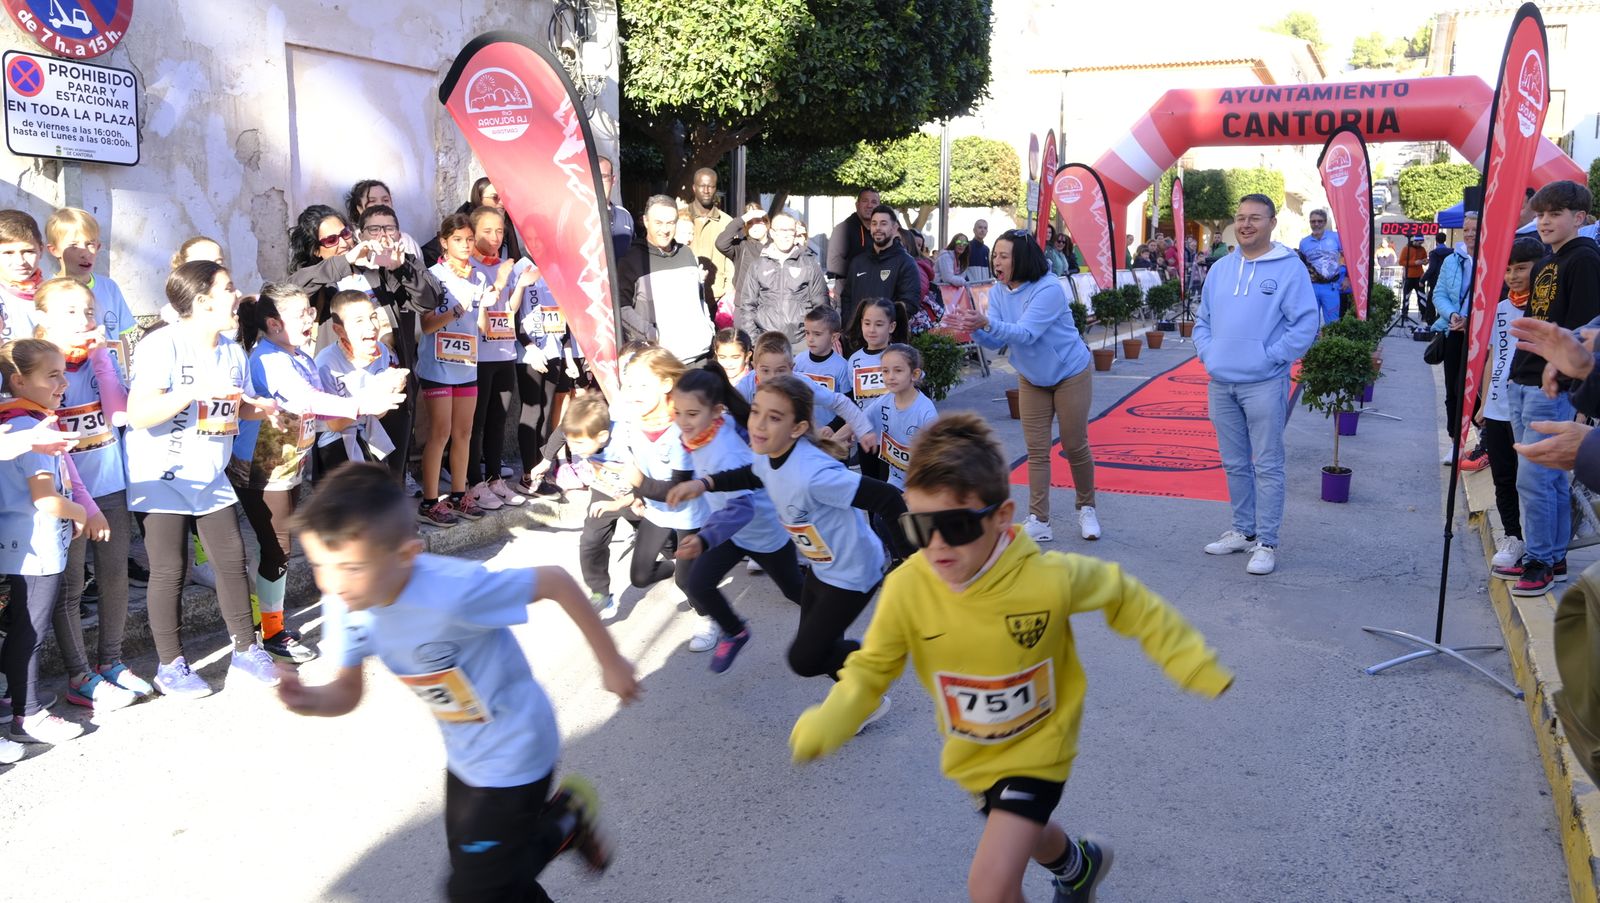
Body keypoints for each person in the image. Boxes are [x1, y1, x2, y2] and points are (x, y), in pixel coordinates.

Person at [787, 413, 1232, 903]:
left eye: (954, 525)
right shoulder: (907, 587)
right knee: (1028, 832)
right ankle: (1078, 868)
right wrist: (835, 717)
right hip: (973, 753)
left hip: (1041, 746)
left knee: (991, 885)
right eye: (918, 527)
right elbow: (872, 669)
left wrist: (1187, 659)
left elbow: (1124, 596)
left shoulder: (1047, 578)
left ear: (1001, 517)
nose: (935, 546)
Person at [276, 461, 639, 903]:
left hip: (517, 745)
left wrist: (611, 660)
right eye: (320, 564)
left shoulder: (451, 592)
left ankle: (564, 819)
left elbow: (556, 581)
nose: (333, 582)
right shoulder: (345, 601)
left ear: (406, 555)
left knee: (473, 888)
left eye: (351, 567)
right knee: (488, 879)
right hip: (466, 753)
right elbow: (347, 692)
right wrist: (307, 700)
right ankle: (563, 820)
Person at [665, 375, 910, 688]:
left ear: (797, 429)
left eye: (774, 417)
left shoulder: (813, 475)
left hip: (854, 573)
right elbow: (752, 474)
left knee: (804, 660)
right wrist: (703, 483)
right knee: (818, 650)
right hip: (822, 567)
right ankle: (864, 697)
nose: (759, 425)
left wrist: (911, 560)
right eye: (756, 412)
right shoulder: (768, 454)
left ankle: (881, 658)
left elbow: (887, 498)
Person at [123, 261, 283, 697]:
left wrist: (258, 408)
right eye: (228, 288)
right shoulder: (163, 345)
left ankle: (246, 652)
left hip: (210, 473)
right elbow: (139, 414)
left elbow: (231, 405)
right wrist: (190, 391)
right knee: (170, 570)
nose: (237, 296)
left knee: (233, 562)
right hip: (162, 475)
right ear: (201, 301)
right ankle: (170, 666)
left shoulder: (232, 349)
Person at [232, 283, 405, 662]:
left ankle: (273, 622)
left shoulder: (297, 355)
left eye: (311, 312)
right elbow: (306, 400)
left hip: (289, 464)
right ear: (275, 324)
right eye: (301, 315)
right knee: (279, 547)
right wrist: (363, 403)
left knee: (280, 547)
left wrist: (370, 396)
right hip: (264, 468)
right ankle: (272, 630)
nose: (311, 319)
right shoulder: (269, 359)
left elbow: (327, 410)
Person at [31, 279, 145, 711]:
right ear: (43, 319)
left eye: (89, 312)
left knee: (115, 577)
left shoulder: (101, 359)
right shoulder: (43, 369)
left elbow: (117, 409)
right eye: (71, 313)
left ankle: (111, 662)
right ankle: (79, 675)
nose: (84, 321)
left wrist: (99, 355)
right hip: (69, 497)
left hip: (111, 483)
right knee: (72, 586)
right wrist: (84, 506)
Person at [1194, 194, 1319, 576]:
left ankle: (1267, 541)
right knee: (1234, 463)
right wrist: (1209, 355)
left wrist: (1271, 356)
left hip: (1264, 382)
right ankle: (1243, 531)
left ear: (1272, 223)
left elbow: (1305, 324)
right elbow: (1202, 322)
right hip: (1221, 381)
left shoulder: (1288, 268)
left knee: (1267, 464)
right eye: (1241, 217)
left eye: (1255, 218)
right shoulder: (1220, 269)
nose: (1246, 224)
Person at [650, 366, 804, 673]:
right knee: (698, 583)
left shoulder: (725, 451)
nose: (682, 421)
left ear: (715, 411)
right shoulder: (710, 427)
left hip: (762, 530)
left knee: (794, 590)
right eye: (678, 412)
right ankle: (735, 631)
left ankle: (829, 623)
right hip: (731, 532)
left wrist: (705, 537)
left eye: (691, 414)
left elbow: (742, 509)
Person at [949, 230, 1100, 543]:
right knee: (1037, 450)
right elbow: (998, 339)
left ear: (1022, 259)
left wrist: (985, 322)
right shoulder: (1001, 290)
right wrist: (974, 329)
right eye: (996, 255)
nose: (997, 261)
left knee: (1074, 445)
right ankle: (1039, 519)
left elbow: (1026, 333)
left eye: (1004, 256)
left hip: (1070, 372)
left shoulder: (1049, 289)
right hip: (1032, 378)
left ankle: (1086, 508)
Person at [1497, 180, 1600, 596]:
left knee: (1535, 479)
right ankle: (1553, 556)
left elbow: (1587, 333)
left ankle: (1539, 559)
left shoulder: (1585, 260)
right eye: (1540, 214)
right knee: (1549, 479)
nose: (1544, 221)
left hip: (1550, 385)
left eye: (1555, 214)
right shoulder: (1543, 262)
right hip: (1523, 378)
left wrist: (1566, 379)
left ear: (1579, 218)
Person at [0, 339, 92, 744]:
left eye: (63, 373)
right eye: (52, 375)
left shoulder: (20, 419)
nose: (63, 383)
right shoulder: (28, 426)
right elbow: (46, 499)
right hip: (33, 545)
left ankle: (15, 699)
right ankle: (28, 713)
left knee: (20, 626)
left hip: (24, 543)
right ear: (19, 381)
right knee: (30, 631)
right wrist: (81, 513)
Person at [417, 213, 495, 526]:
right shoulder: (432, 276)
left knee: (464, 432)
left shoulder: (478, 276)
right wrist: (457, 308)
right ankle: (430, 501)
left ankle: (460, 495)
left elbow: (482, 327)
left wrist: (486, 306)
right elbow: (426, 326)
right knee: (441, 433)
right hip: (437, 365)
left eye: (469, 239)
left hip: (467, 365)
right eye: (458, 240)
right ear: (444, 242)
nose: (465, 246)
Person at [1477, 237, 1543, 571]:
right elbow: (1492, 359)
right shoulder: (1500, 309)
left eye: (1521, 268)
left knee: (1529, 479)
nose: (1513, 276)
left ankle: (1538, 540)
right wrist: (1483, 401)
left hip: (1531, 405)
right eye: (1508, 269)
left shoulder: (1544, 308)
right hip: (1498, 406)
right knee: (1503, 477)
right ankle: (1513, 536)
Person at [464, 207, 526, 512]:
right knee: (476, 423)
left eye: (500, 231)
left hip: (505, 352)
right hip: (478, 356)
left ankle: (493, 478)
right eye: (487, 231)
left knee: (498, 421)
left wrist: (521, 284)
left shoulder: (505, 266)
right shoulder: (470, 268)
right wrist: (500, 281)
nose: (495, 237)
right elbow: (480, 308)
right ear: (473, 233)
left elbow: (510, 309)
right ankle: (473, 482)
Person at [315, 289, 411, 473]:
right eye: (359, 321)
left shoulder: (381, 351)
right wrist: (369, 399)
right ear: (339, 330)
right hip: (335, 444)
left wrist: (391, 391)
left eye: (373, 316)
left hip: (369, 435)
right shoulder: (326, 364)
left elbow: (378, 413)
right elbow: (334, 424)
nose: (371, 326)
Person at [618, 195, 716, 363]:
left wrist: (708, 329)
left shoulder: (687, 253)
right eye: (658, 223)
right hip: (659, 362)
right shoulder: (631, 261)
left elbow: (699, 298)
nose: (665, 229)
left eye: (670, 223)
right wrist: (652, 336)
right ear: (645, 221)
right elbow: (621, 308)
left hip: (699, 357)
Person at [45, 208, 140, 378]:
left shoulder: (110, 287)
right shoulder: (47, 291)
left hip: (109, 379)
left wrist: (123, 377)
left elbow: (121, 338)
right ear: (54, 250)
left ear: (98, 246)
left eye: (90, 244)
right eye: (73, 246)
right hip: (68, 383)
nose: (85, 253)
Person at [736, 210, 826, 346]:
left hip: (802, 343)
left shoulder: (809, 264)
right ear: (772, 232)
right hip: (767, 341)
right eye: (781, 230)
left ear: (795, 233)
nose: (785, 235)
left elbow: (822, 305)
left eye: (789, 230)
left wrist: (815, 339)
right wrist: (755, 341)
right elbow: (747, 306)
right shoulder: (758, 265)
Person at [1430, 211, 1477, 464]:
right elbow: (1438, 294)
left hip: (1482, 332)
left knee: (1477, 389)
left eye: (1475, 229)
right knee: (1454, 389)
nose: (1470, 234)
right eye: (1466, 229)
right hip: (1454, 331)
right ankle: (1456, 442)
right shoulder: (1452, 259)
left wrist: (1472, 320)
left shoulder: (1494, 257)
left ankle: (1480, 440)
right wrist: (1454, 315)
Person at [860, 343, 937, 490]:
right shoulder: (885, 400)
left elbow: (937, 458)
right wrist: (832, 440)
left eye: (898, 370)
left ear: (915, 374)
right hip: (894, 482)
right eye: (885, 371)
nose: (890, 377)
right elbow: (859, 420)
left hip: (920, 487)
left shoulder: (926, 413)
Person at [839, 207, 921, 329]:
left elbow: (909, 304)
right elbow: (847, 298)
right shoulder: (858, 262)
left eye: (883, 224)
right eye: (874, 223)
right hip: (856, 340)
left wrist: (883, 325)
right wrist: (850, 326)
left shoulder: (906, 262)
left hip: (887, 341)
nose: (878, 228)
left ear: (894, 228)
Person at [687, 167, 735, 308]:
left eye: (711, 186)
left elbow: (731, 261)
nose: (707, 191)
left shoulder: (726, 221)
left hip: (717, 295)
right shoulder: (680, 217)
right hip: (685, 293)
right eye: (702, 186)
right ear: (694, 188)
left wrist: (728, 290)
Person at [343, 178, 424, 260]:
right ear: (360, 208)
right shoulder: (352, 244)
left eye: (385, 200)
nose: (380, 205)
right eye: (372, 201)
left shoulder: (406, 241)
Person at [0, 210, 43, 345]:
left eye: (28, 251)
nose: (20, 261)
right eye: (8, 253)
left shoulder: (54, 293)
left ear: (41, 250)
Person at [1298, 209, 1345, 325]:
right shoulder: (1304, 243)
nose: (1316, 224)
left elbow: (1348, 258)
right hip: (1311, 288)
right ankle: (1313, 343)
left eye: (1319, 221)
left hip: (1331, 287)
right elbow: (1301, 266)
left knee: (1333, 323)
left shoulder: (1335, 238)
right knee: (1311, 322)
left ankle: (1331, 343)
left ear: (1324, 222)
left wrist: (1347, 277)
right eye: (1313, 221)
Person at [826, 188, 881, 284]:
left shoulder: (880, 230)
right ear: (857, 205)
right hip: (849, 294)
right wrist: (864, 270)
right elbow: (833, 263)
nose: (869, 205)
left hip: (875, 293)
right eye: (865, 201)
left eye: (874, 202)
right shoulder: (843, 229)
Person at [793, 306, 852, 393]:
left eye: (817, 334)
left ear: (834, 337)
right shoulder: (798, 361)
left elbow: (846, 401)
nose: (810, 339)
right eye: (807, 333)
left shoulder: (842, 366)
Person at [597, 156, 634, 262]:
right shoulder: (574, 215)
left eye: (603, 177)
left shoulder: (624, 216)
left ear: (613, 180)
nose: (597, 182)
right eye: (593, 177)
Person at [1398, 235, 1430, 323]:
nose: (1420, 244)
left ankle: (1424, 314)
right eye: (1419, 243)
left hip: (1419, 276)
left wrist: (1425, 261)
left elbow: (1424, 259)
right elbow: (1401, 262)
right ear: (1415, 241)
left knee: (1422, 296)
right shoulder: (1406, 249)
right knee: (1406, 296)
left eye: (1421, 243)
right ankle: (1405, 314)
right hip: (1408, 276)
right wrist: (1414, 262)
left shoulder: (1422, 249)